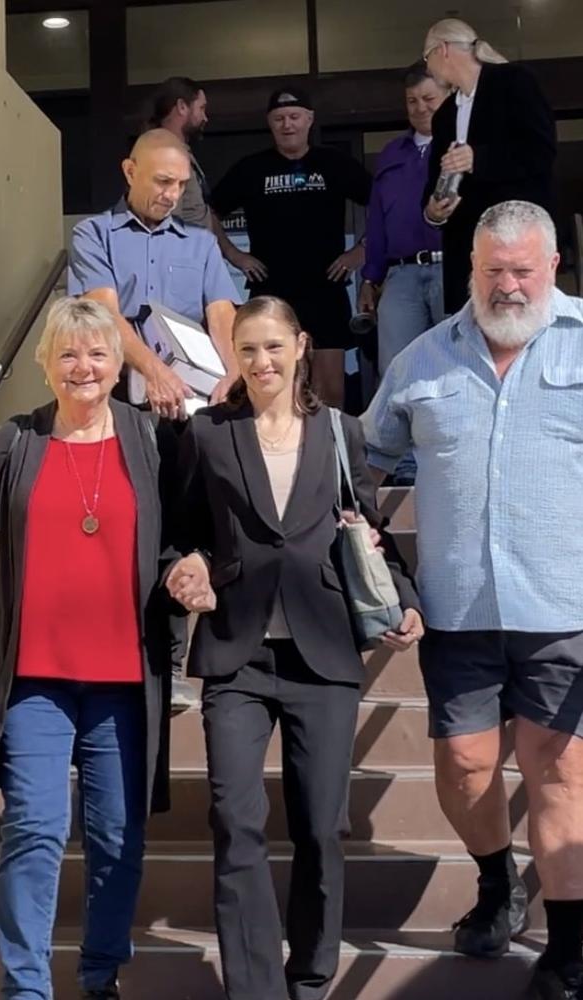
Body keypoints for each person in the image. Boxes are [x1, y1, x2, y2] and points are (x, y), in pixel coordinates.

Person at [165, 295, 423, 1000]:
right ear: (234, 358)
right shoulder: (209, 434)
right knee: (236, 822)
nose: (261, 362)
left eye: (273, 346)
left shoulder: (340, 432)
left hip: (324, 655)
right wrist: (183, 565)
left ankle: (309, 981)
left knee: (320, 828)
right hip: (236, 655)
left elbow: (371, 529)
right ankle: (253, 991)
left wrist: (403, 601)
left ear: (302, 345)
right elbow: (179, 530)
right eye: (247, 350)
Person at [362, 201, 583, 1000]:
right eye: (493, 271)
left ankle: (568, 943)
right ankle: (497, 885)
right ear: (471, 272)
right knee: (462, 766)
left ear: (553, 266)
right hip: (457, 610)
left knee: (559, 774)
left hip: (564, 608)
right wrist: (372, 563)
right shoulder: (421, 360)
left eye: (523, 270)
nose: (509, 285)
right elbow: (361, 463)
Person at [0, 297, 172, 1000]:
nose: (84, 367)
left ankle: (99, 976)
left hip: (124, 679)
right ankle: (26, 988)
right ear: (45, 364)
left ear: (117, 364)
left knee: (117, 839)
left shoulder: (149, 438)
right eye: (68, 354)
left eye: (99, 353)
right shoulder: (16, 442)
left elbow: (186, 531)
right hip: (34, 679)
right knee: (34, 832)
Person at [68, 128, 241, 421]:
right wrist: (154, 370)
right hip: (119, 392)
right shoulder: (93, 235)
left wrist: (236, 374)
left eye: (182, 185)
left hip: (195, 393)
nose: (173, 195)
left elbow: (222, 316)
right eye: (163, 181)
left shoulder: (202, 243)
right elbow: (104, 313)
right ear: (130, 171)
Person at [209, 86, 371, 396]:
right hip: (272, 291)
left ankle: (329, 446)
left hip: (326, 288)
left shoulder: (333, 163)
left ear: (309, 119)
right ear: (270, 123)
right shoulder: (251, 168)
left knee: (330, 391)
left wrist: (360, 251)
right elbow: (208, 212)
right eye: (279, 118)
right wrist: (234, 255)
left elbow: (383, 203)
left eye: (294, 117)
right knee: (275, 386)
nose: (288, 125)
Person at [421, 18, 556, 314]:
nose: (427, 68)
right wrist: (432, 210)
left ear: (442, 49)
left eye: (426, 57)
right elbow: (433, 180)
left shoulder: (513, 81)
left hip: (514, 239)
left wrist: (478, 159)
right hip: (465, 251)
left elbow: (540, 150)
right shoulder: (443, 115)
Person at [357, 60, 449, 484]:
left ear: (446, 97)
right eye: (412, 101)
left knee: (455, 366)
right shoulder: (392, 153)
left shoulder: (461, 145)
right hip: (401, 274)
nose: (420, 107)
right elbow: (376, 220)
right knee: (399, 370)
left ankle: (450, 457)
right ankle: (404, 466)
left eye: (428, 98)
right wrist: (370, 279)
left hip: (453, 268)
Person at [148, 75, 213, 229]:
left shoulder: (180, 152)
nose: (205, 117)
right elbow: (166, 227)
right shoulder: (165, 156)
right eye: (201, 108)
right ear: (182, 107)